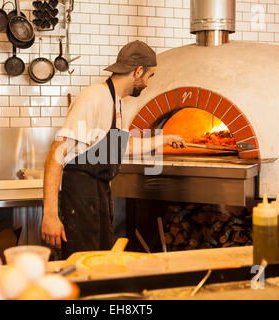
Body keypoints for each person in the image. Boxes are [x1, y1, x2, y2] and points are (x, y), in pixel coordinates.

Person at [42, 40, 186, 259]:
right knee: (82, 264)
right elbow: (56, 154)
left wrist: (164, 139)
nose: (147, 83)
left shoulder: (117, 102)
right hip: (80, 197)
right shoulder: (93, 97)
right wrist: (50, 214)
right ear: (138, 71)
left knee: (99, 260)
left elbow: (121, 147)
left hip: (99, 193)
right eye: (149, 76)